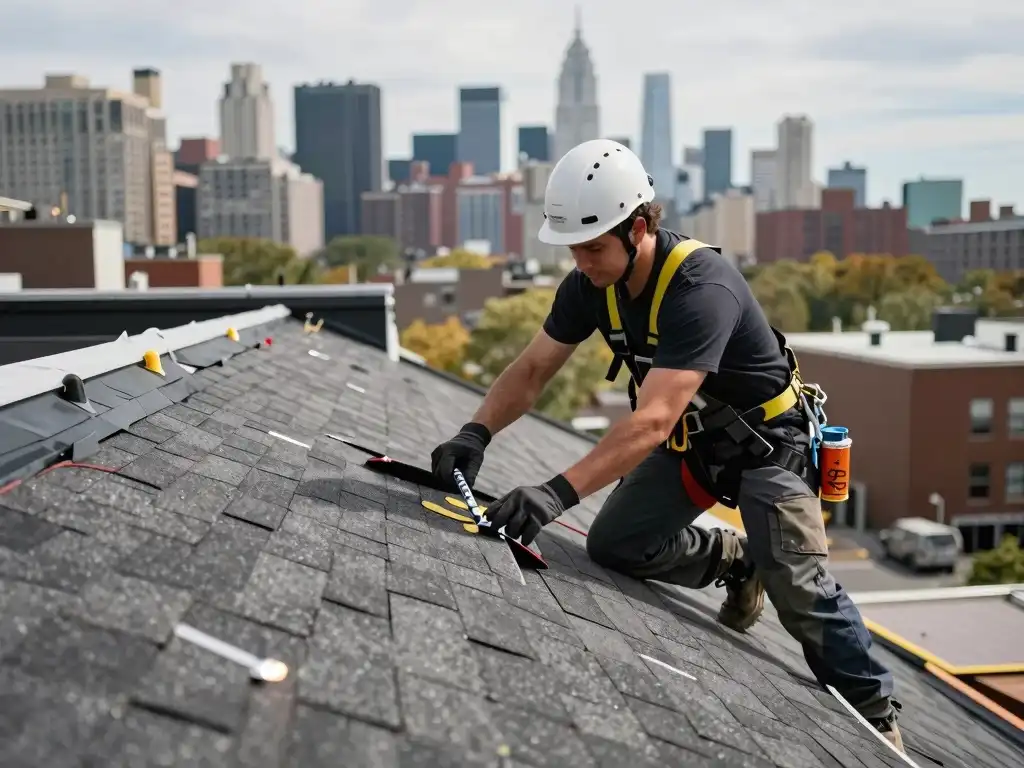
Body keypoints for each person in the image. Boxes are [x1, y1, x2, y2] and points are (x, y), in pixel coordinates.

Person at [429, 139, 904, 751]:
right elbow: (532, 371)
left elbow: (652, 421)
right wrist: (476, 432)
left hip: (770, 447)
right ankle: (735, 560)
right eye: (573, 246)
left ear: (642, 226)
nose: (582, 261)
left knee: (799, 587)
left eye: (595, 245)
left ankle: (878, 719)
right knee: (614, 545)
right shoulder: (588, 286)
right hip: (697, 447)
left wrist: (554, 494)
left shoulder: (702, 288)